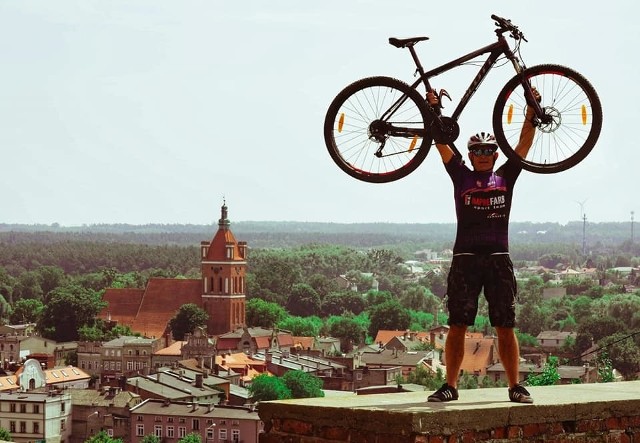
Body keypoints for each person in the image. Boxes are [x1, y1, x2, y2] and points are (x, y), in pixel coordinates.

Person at [425, 89, 539, 403]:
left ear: (495, 154)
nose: (484, 154)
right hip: (465, 259)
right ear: (471, 154)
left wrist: (531, 110)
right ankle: (450, 385)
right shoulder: (460, 175)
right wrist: (432, 109)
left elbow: (524, 144)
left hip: (499, 259)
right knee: (457, 324)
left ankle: (515, 386)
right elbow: (440, 142)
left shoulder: (505, 176)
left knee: (505, 324)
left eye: (489, 149)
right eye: (478, 150)